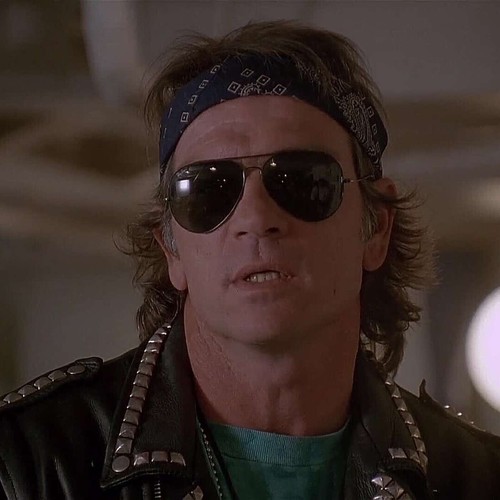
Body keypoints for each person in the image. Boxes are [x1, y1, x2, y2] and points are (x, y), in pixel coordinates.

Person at [0, 20, 499, 500]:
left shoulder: (479, 478)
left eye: (302, 180)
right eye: (207, 190)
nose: (256, 218)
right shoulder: (25, 464)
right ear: (171, 248)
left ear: (376, 228)